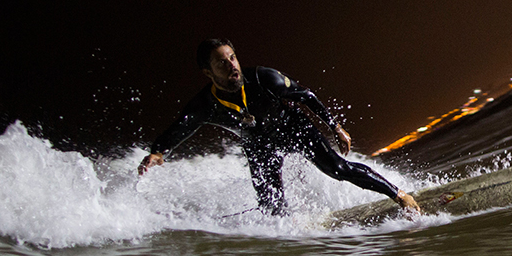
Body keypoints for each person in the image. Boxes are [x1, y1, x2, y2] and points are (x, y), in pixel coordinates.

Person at [139, 39, 420, 216]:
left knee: (338, 169)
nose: (231, 65)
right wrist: (159, 152)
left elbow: (305, 96)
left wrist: (335, 127)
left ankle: (399, 195)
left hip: (293, 128)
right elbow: (181, 127)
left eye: (232, 58)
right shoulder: (205, 104)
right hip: (258, 143)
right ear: (208, 73)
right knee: (270, 204)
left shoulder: (263, 78)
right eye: (221, 63)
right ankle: (290, 236)